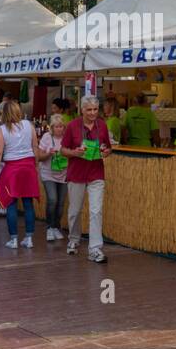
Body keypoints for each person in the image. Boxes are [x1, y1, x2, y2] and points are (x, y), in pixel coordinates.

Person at [61, 94, 113, 263]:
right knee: (75, 211)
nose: (92, 113)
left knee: (96, 211)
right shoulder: (72, 126)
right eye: (89, 109)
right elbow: (63, 150)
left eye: (95, 109)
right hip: (76, 174)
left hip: (96, 173)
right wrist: (75, 153)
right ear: (81, 109)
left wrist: (106, 151)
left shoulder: (102, 126)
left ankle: (95, 249)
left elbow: (108, 147)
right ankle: (74, 239)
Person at [0, 100, 41, 248]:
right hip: (28, 166)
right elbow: (35, 146)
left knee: (11, 203)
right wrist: (37, 164)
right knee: (28, 204)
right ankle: (29, 238)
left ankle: (13, 239)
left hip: (12, 169)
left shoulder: (2, 129)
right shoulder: (29, 125)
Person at [38, 113, 69, 243]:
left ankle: (56, 226)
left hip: (64, 174)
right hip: (48, 173)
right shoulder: (46, 137)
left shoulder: (67, 138)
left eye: (61, 126)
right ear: (52, 127)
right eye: (56, 126)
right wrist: (48, 154)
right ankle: (50, 227)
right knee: (52, 199)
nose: (59, 129)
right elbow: (39, 156)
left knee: (61, 203)